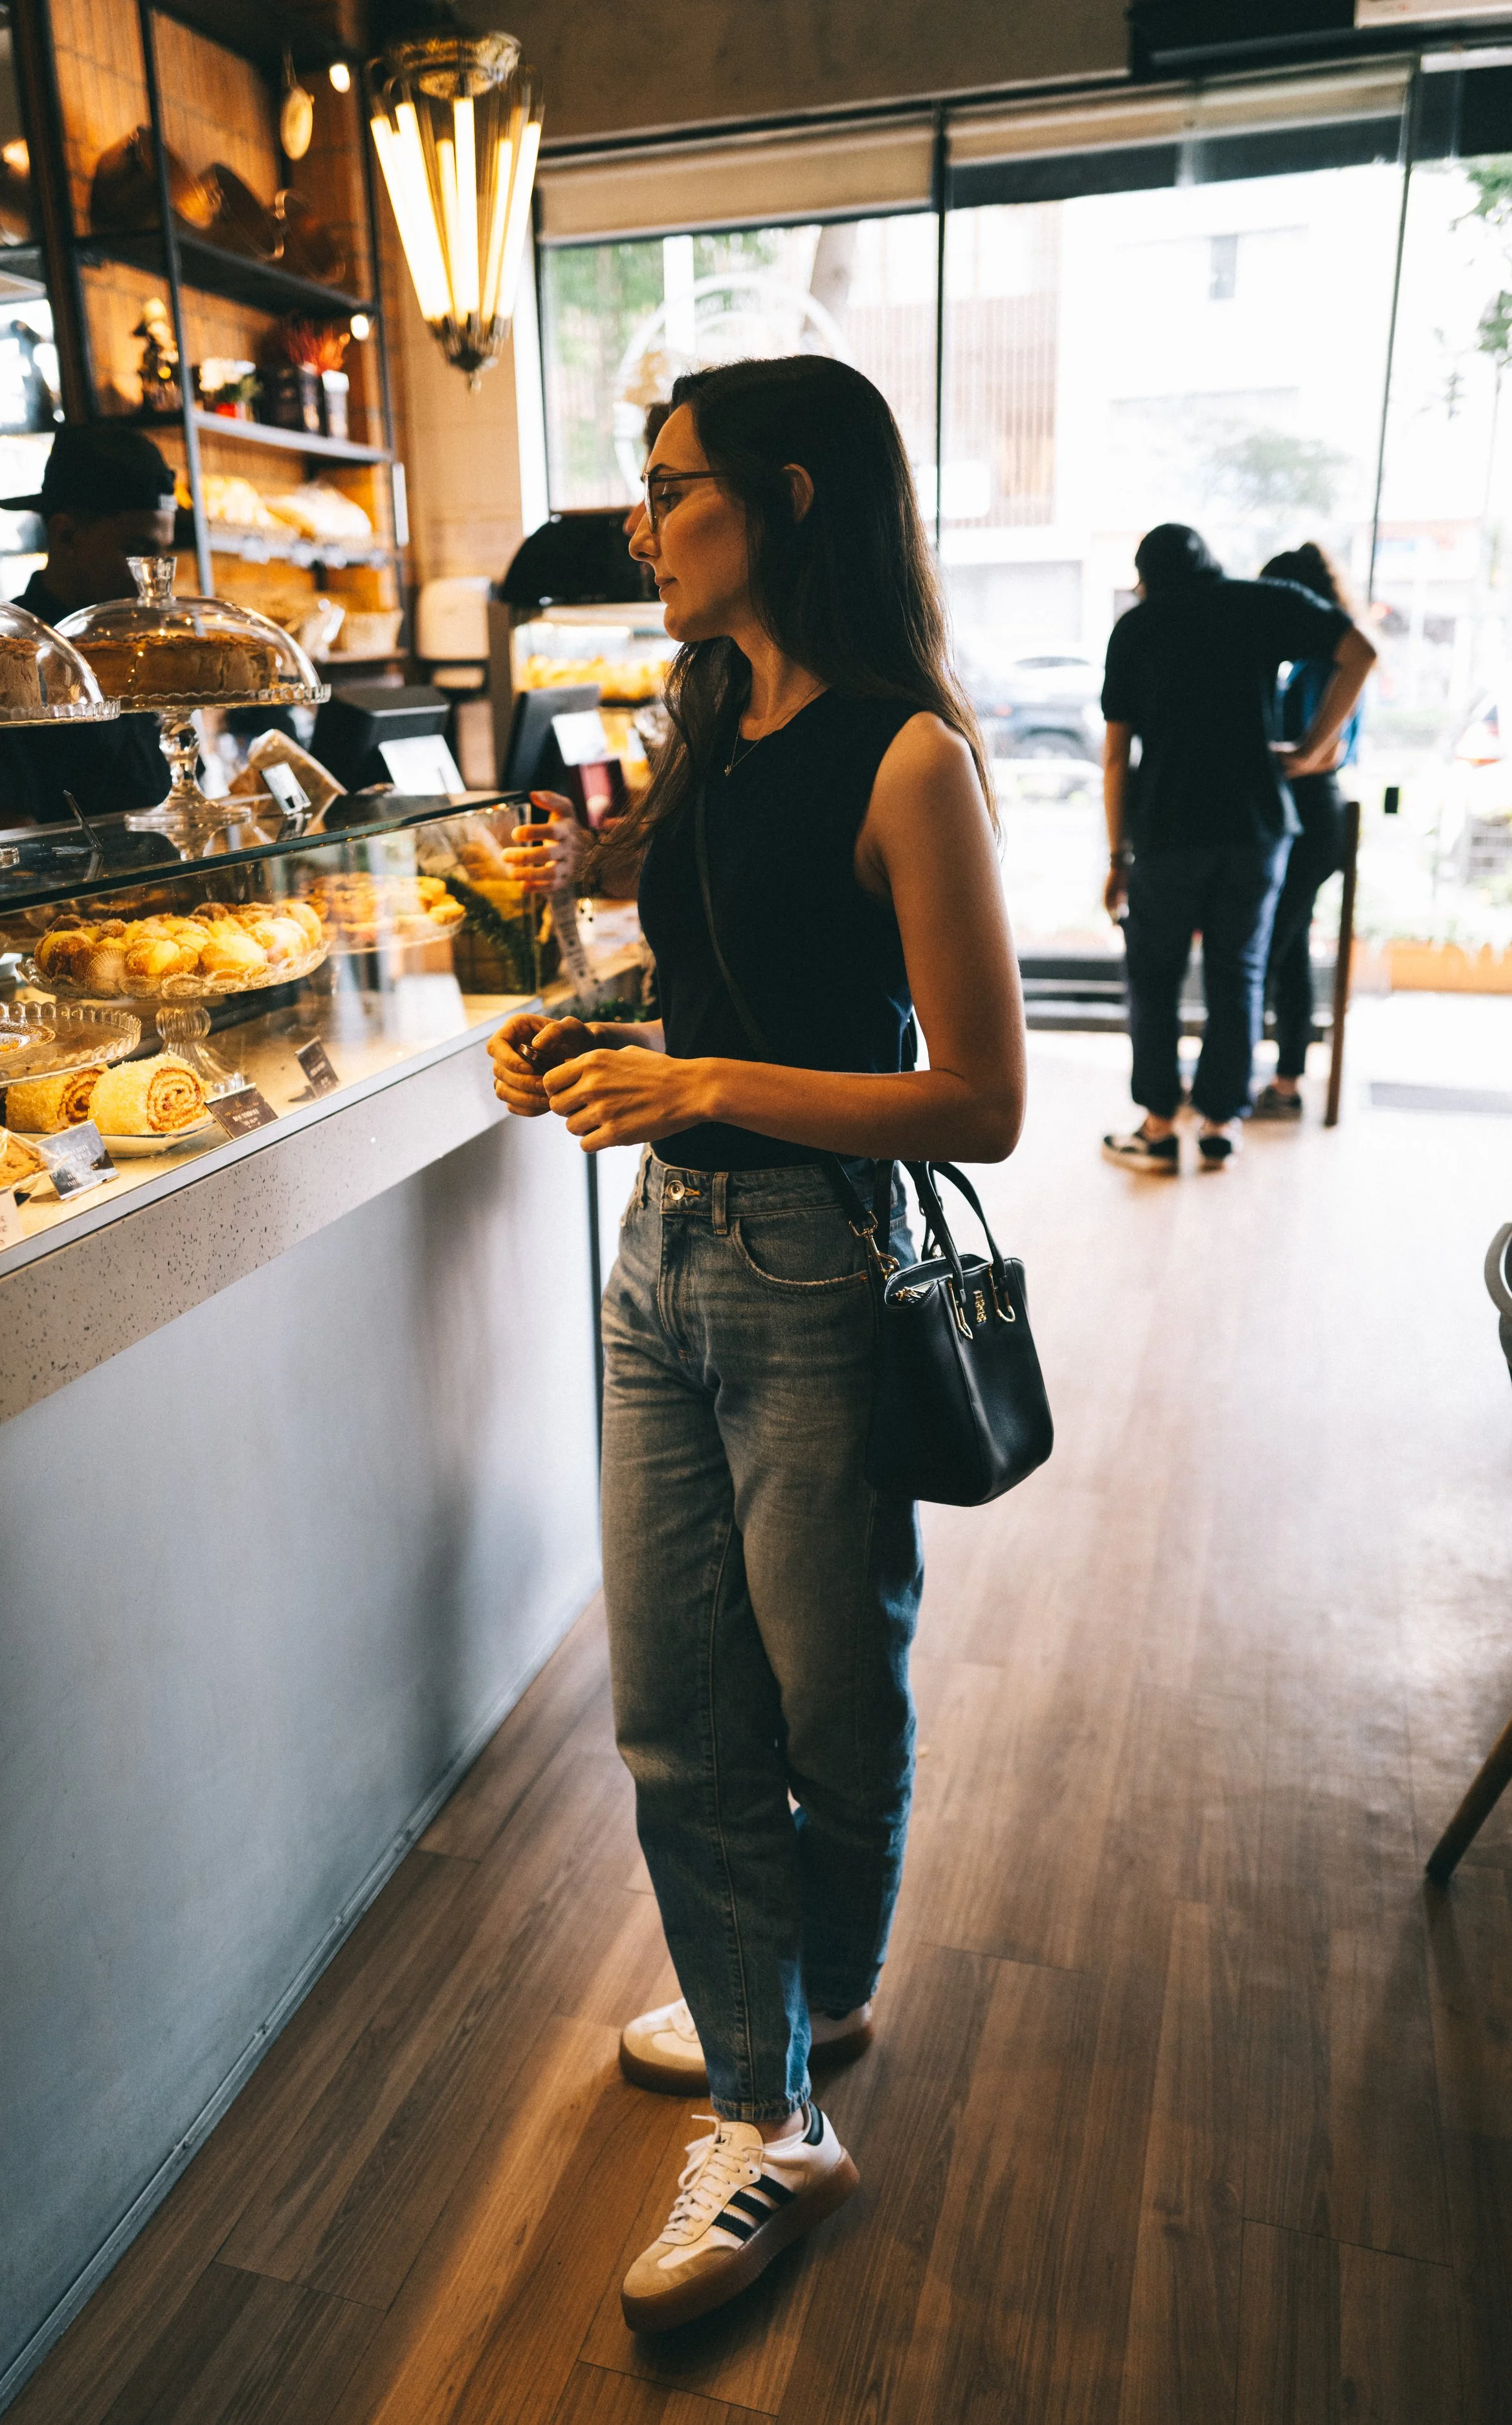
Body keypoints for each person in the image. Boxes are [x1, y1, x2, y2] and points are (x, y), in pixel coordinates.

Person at [487, 356, 1025, 2331]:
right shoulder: (711, 723)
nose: (639, 525)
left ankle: (796, 2052)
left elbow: (977, 1100)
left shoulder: (905, 759)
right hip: (657, 1260)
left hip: (809, 1267)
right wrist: (597, 1022)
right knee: (670, 1711)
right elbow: (706, 968)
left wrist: (703, 1067)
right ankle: (770, 2057)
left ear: (783, 501)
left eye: (668, 486)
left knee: (819, 1689)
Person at [1099, 523, 1375, 1172]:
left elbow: (1115, 757)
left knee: (1154, 976)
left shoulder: (1138, 627)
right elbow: (1358, 652)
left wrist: (1116, 857)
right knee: (1239, 973)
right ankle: (1221, 1124)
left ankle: (1160, 1127)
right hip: (1257, 829)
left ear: (1147, 576)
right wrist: (1312, 748)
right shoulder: (1258, 602)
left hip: (1168, 829)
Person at [0, 423, 175, 834]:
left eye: (161, 555)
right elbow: (5, 831)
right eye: (136, 551)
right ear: (65, 534)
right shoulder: (0, 656)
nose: (153, 577)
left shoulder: (133, 646)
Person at [1253, 544, 1362, 1119]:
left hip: (1311, 816)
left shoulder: (1322, 667)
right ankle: (1287, 1080)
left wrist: (1270, 756)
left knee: (1265, 953)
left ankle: (1255, 1082)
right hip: (1314, 818)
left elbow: (1326, 752)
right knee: (1288, 952)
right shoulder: (1320, 663)